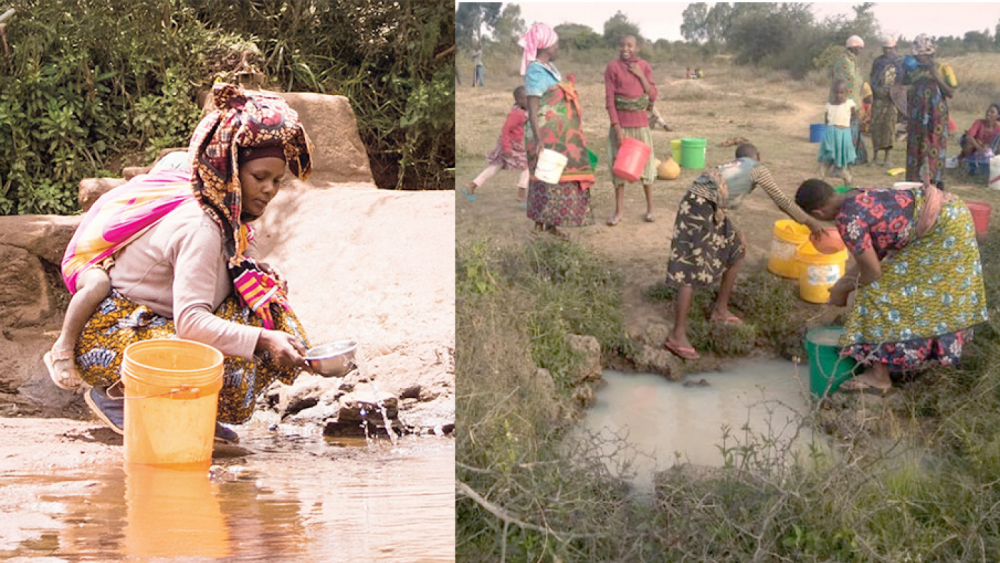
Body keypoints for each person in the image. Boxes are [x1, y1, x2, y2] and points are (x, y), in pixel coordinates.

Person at [66, 83, 314, 443]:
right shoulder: (202, 227)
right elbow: (192, 323)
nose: (269, 190)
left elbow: (240, 263)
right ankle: (120, 397)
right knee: (234, 363)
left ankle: (185, 406)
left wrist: (260, 282)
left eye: (277, 180)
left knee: (274, 315)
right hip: (112, 332)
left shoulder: (230, 219)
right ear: (228, 172)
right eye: (259, 178)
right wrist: (263, 339)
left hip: (158, 322)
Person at [794, 179, 987, 392]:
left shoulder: (848, 220)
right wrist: (842, 284)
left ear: (818, 214)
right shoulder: (855, 194)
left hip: (942, 232)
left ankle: (879, 377)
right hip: (954, 210)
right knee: (920, 290)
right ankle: (908, 355)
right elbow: (869, 260)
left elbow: (873, 272)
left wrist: (844, 289)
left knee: (875, 295)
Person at [662, 144, 823, 361]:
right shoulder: (757, 168)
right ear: (757, 157)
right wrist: (810, 221)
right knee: (689, 268)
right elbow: (781, 200)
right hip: (699, 208)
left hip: (702, 205)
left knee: (737, 248)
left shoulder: (729, 166)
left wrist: (731, 227)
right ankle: (677, 335)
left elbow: (716, 198)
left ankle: (720, 310)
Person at [520, 22, 594, 238]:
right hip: (546, 134)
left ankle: (550, 223)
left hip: (561, 136)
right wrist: (538, 137)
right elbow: (533, 107)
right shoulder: (535, 70)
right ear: (546, 46)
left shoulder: (551, 69)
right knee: (546, 175)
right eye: (556, 43)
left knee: (557, 175)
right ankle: (543, 224)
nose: (558, 47)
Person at [604, 34, 658, 226]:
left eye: (630, 45)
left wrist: (640, 75)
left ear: (638, 47)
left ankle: (650, 209)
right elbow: (610, 101)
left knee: (647, 167)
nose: (625, 48)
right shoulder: (613, 67)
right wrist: (616, 127)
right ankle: (618, 212)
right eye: (622, 45)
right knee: (619, 168)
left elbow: (652, 95)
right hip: (622, 126)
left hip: (641, 125)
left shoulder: (644, 66)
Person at [904, 34, 957, 190]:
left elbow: (951, 92)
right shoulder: (913, 71)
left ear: (929, 54)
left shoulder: (943, 68)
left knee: (934, 148)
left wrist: (935, 75)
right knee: (916, 151)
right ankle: (914, 186)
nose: (917, 58)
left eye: (919, 55)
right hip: (917, 118)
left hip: (936, 118)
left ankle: (935, 187)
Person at [463, 86, 529, 204]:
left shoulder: (522, 110)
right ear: (518, 100)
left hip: (512, 143)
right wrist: (507, 148)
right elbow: (505, 130)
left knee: (496, 166)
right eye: (525, 99)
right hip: (511, 145)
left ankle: (473, 184)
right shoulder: (516, 114)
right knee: (528, 166)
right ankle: (522, 191)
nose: (528, 101)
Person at [831, 35, 868, 165]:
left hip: (853, 102)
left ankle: (853, 157)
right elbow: (847, 85)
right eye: (860, 48)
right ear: (854, 48)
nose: (861, 51)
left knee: (854, 130)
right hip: (846, 103)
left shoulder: (852, 61)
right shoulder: (845, 62)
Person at [869, 36, 903, 167]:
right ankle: (875, 157)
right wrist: (877, 91)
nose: (888, 50)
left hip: (892, 100)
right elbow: (873, 79)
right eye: (886, 48)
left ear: (895, 47)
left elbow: (902, 81)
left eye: (890, 48)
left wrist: (895, 93)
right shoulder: (878, 62)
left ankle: (887, 158)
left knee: (889, 127)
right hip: (879, 98)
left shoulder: (900, 63)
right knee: (876, 126)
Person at [817, 80, 858, 184]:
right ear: (833, 93)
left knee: (842, 162)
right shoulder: (829, 106)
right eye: (837, 92)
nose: (839, 95)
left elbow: (854, 118)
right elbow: (826, 121)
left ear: (846, 93)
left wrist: (850, 133)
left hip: (844, 134)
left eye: (842, 92)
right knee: (826, 160)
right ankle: (821, 181)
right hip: (831, 134)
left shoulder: (850, 104)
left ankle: (848, 181)